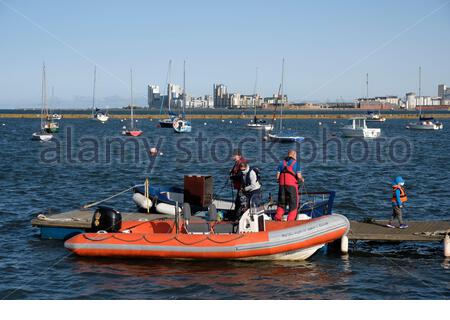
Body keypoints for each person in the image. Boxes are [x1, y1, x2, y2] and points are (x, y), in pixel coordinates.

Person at [274, 150, 304, 221]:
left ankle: (277, 218)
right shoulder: (296, 163)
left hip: (282, 186)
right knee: (293, 204)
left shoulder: (281, 163)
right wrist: (302, 179)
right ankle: (290, 221)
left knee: (281, 203)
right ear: (293, 155)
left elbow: (277, 177)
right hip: (291, 186)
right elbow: (299, 176)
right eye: (296, 155)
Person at [228, 149, 248, 220]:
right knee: (238, 202)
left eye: (234, 156)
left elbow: (240, 175)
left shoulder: (242, 163)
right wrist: (232, 172)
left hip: (242, 187)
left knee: (240, 203)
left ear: (239, 156)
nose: (233, 157)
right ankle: (237, 216)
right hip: (239, 186)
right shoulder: (237, 163)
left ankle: (239, 217)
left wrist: (232, 177)